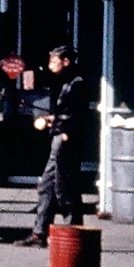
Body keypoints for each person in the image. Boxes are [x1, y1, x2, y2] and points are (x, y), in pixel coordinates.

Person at [21, 45, 94, 247]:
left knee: (65, 185)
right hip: (59, 135)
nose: (50, 65)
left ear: (66, 61)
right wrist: (53, 119)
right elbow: (66, 111)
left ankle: (74, 230)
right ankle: (40, 232)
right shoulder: (64, 82)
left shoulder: (77, 84)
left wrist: (66, 132)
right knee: (47, 185)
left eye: (54, 61)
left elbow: (79, 115)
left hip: (64, 140)